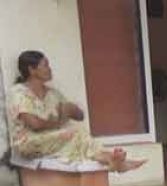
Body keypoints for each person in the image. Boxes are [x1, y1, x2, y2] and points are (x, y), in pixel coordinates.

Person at [6, 50, 145, 172]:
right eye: (45, 65)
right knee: (75, 134)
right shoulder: (19, 92)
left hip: (49, 140)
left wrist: (73, 109)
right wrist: (60, 120)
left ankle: (111, 159)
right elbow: (34, 124)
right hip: (28, 143)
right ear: (32, 70)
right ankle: (113, 160)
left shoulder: (52, 94)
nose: (50, 69)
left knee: (78, 131)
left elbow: (80, 116)